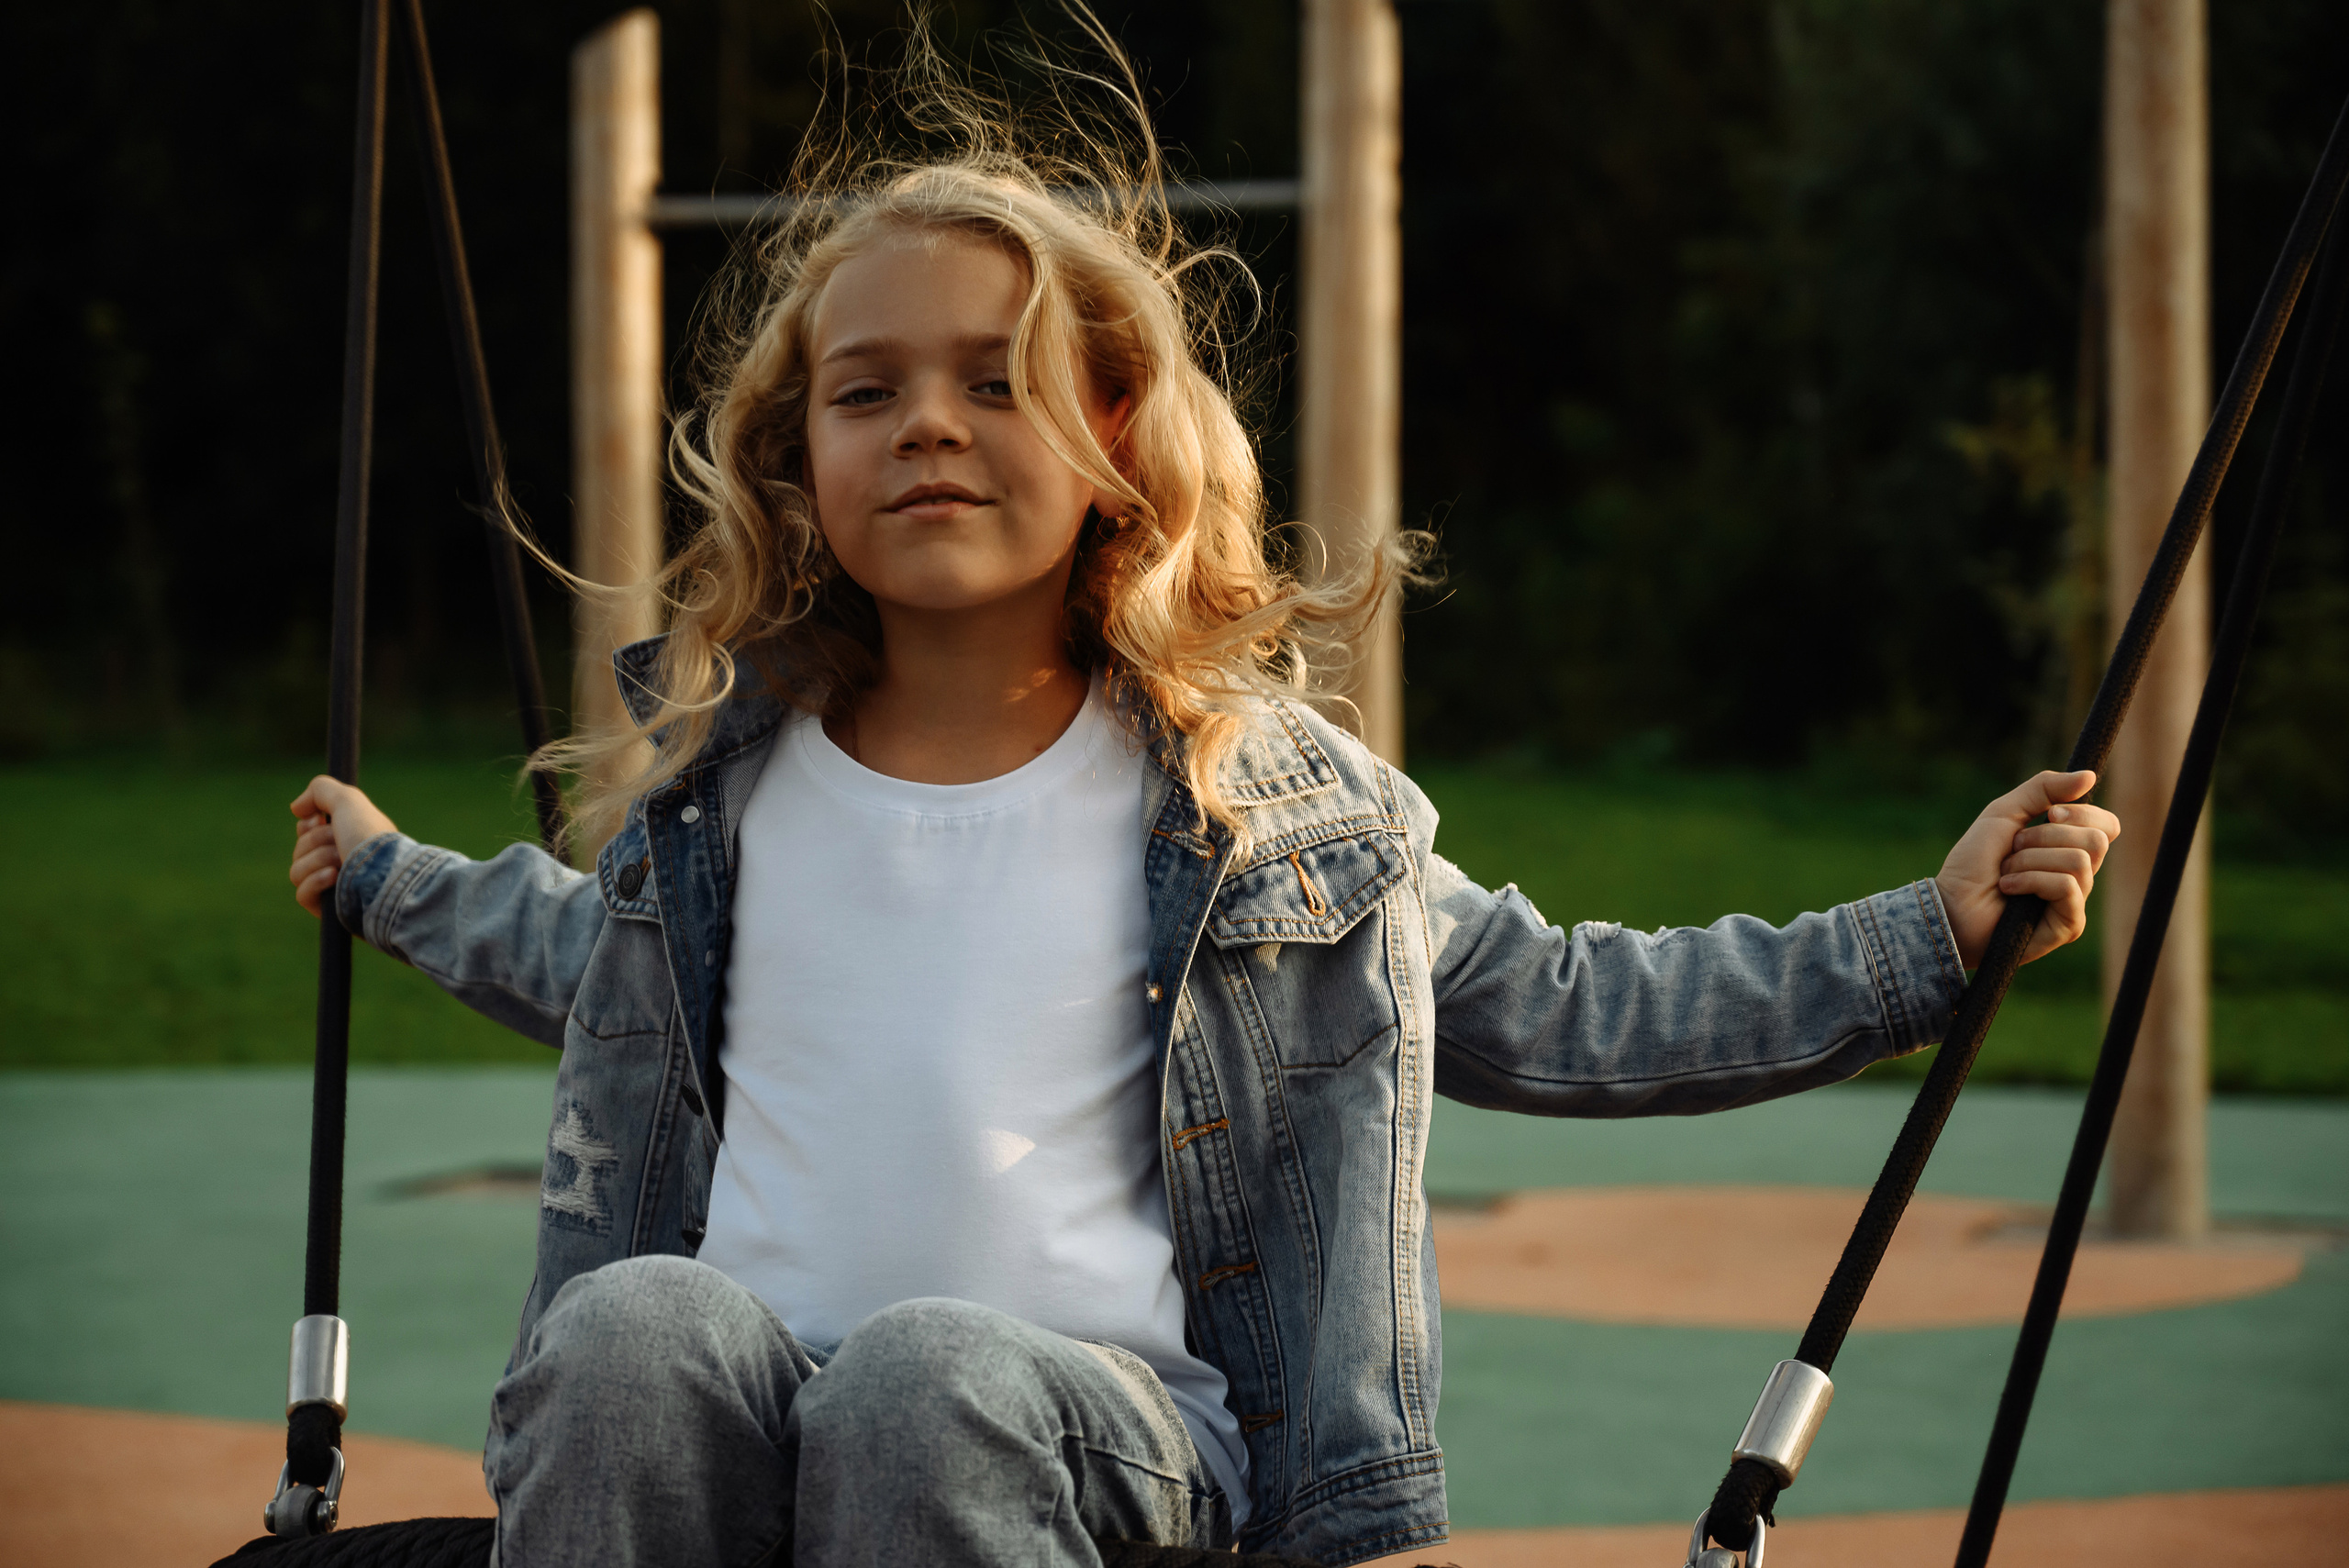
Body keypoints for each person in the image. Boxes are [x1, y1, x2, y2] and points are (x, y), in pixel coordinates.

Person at [283, 22, 2119, 1568]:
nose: (925, 420)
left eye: (995, 383)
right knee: (622, 1330)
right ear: (793, 467)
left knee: (928, 1381)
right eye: (865, 391)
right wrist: (385, 880)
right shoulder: (712, 812)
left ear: (1113, 454)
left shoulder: (1271, 822)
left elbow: (1567, 1009)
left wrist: (1922, 940)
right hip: (733, 1426)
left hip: (1102, 1450)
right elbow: (581, 964)